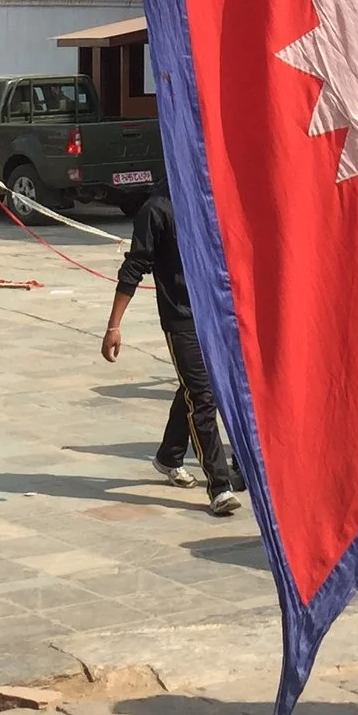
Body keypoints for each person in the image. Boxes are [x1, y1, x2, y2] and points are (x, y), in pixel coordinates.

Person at [102, 194, 244, 517]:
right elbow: (135, 266)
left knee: (196, 387)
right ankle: (219, 487)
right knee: (202, 396)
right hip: (181, 318)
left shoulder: (208, 196)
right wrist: (113, 326)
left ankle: (169, 455)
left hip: (218, 313)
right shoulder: (156, 210)